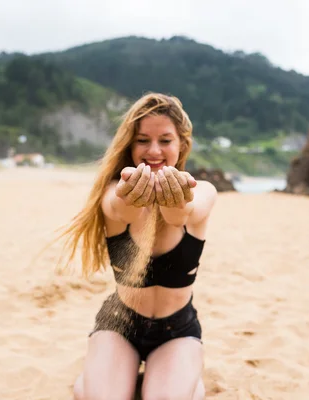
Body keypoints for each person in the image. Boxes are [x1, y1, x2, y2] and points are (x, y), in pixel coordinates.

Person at [54, 92, 217, 400]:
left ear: (182, 143)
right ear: (130, 146)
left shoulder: (203, 191)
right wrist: (131, 193)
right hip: (119, 324)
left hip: (177, 330)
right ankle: (90, 383)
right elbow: (121, 209)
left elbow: (180, 212)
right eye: (143, 140)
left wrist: (176, 199)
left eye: (165, 140)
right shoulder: (115, 191)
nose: (153, 150)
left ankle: (187, 385)